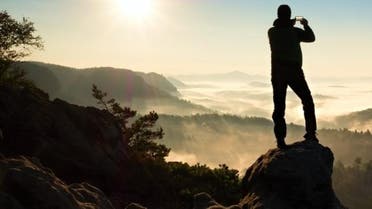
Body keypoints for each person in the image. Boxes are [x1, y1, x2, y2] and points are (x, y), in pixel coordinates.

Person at [268, 4, 318, 148]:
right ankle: (311, 133)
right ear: (289, 16)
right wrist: (305, 25)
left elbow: (282, 30)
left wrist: (290, 22)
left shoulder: (271, 31)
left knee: (279, 107)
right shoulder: (295, 32)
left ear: (278, 15)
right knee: (307, 101)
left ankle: (280, 141)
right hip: (294, 71)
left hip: (277, 73)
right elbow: (311, 38)